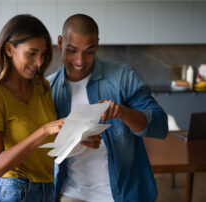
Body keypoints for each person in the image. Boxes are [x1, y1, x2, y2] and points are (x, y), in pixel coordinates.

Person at [48, 14, 168, 202]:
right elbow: (38, 146)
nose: (80, 61)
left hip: (124, 193)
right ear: (60, 43)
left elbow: (160, 126)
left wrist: (122, 112)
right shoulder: (47, 89)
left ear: (97, 44)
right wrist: (71, 141)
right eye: (72, 50)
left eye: (89, 51)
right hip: (71, 192)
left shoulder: (123, 77)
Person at [0, 14, 65, 202]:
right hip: (15, 191)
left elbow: (49, 146)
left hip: (48, 189)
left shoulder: (42, 87)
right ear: (9, 49)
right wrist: (44, 130)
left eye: (43, 54)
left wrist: (80, 139)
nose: (39, 62)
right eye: (31, 53)